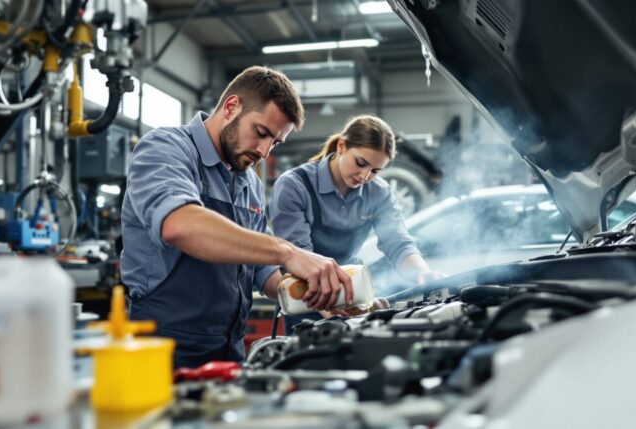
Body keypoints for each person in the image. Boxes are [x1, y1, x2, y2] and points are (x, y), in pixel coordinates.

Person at [120, 66, 353, 369]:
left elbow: (262, 272)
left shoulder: (249, 182)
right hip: (162, 347)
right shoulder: (166, 148)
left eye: (275, 142)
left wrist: (317, 295)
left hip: (228, 348)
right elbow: (180, 225)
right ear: (231, 107)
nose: (265, 151)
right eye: (261, 133)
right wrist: (289, 251)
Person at [270, 114, 442, 333]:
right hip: (305, 296)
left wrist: (422, 273)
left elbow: (398, 243)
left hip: (353, 295)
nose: (364, 176)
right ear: (341, 146)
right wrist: (333, 306)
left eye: (375, 171)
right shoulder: (294, 186)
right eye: (360, 163)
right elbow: (298, 256)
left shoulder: (378, 192)